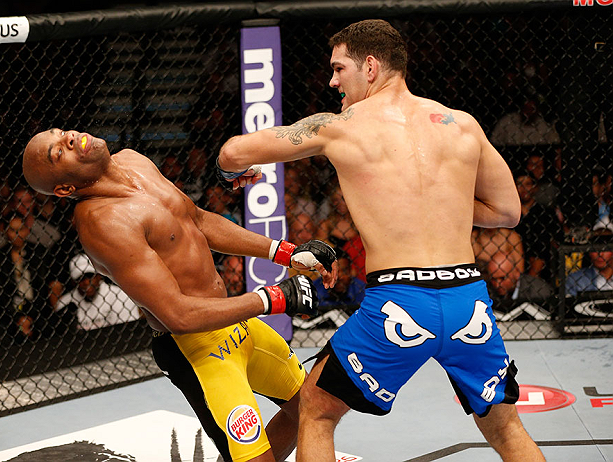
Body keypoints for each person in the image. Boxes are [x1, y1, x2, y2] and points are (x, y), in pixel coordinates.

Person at [217, 19, 544, 461]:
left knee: (315, 409)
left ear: (370, 66)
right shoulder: (462, 125)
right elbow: (508, 211)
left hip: (401, 303)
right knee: (506, 427)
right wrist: (435, 204)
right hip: (468, 298)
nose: (332, 81)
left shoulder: (340, 126)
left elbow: (232, 152)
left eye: (338, 68)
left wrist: (234, 173)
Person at [22, 128, 337, 462]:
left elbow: (198, 221)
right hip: (196, 350)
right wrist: (272, 299)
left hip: (236, 323)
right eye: (58, 152)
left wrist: (286, 253)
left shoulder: (133, 160)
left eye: (61, 134)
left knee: (312, 408)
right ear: (65, 189)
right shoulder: (102, 223)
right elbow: (177, 314)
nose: (69, 139)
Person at [55, 253, 141, 331]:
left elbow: (128, 332)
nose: (86, 282)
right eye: (80, 278)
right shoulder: (64, 303)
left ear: (99, 276)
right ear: (73, 283)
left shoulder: (120, 296)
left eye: (89, 276)